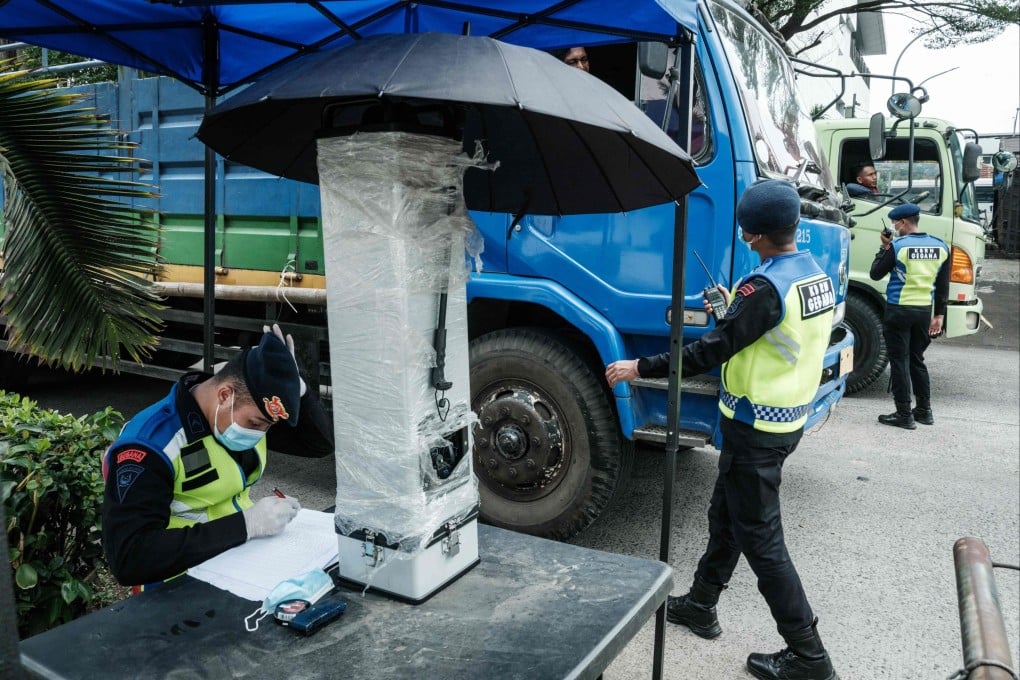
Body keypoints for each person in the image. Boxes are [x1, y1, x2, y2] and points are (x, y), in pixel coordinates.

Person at [605, 180, 839, 680]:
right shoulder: (812, 274)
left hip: (756, 428)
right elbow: (770, 334)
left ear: (752, 235)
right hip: (784, 419)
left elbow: (707, 353)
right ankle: (701, 605)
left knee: (763, 543)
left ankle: (809, 657)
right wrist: (730, 309)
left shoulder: (762, 289)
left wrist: (638, 367)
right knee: (726, 515)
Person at [101, 324, 334, 590]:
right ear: (224, 395)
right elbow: (130, 558)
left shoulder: (241, 413)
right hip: (179, 585)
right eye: (257, 423)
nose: (261, 433)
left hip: (239, 564)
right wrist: (247, 524)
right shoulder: (150, 445)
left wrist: (296, 388)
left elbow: (319, 445)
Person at [870, 203, 949, 429]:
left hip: (899, 310)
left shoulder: (897, 246)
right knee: (916, 360)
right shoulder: (940, 246)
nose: (894, 226)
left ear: (903, 222)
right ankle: (924, 411)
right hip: (924, 311)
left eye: (895, 222)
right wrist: (940, 316)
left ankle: (904, 413)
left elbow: (875, 274)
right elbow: (943, 285)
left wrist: (884, 247)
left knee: (899, 360)